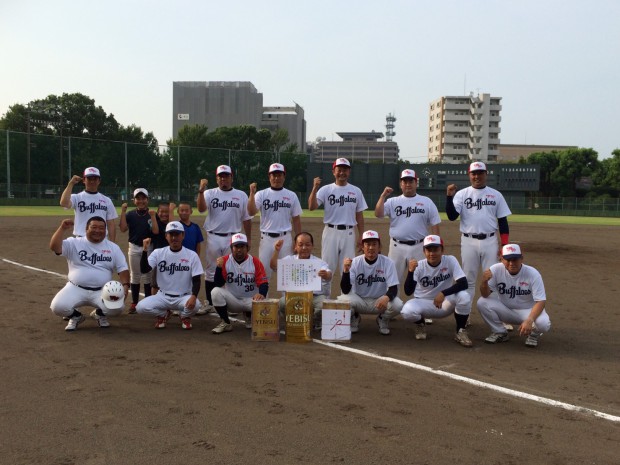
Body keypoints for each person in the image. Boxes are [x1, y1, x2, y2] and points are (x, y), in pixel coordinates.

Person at [445, 161, 512, 302]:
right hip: (468, 241)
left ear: (485, 174)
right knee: (468, 279)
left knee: (492, 278)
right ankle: (465, 312)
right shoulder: (462, 194)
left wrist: (504, 246)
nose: (477, 176)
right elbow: (452, 217)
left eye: (480, 173)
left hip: (490, 241)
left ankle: (495, 314)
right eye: (473, 173)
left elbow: (503, 221)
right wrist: (449, 197)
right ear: (469, 175)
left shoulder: (496, 195)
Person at [49, 216, 129, 331]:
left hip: (102, 290)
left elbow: (123, 269)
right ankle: (76, 317)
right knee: (57, 307)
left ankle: (99, 314)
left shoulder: (113, 248)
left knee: (117, 307)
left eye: (101, 228)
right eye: (94, 227)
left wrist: (126, 286)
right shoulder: (74, 243)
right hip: (75, 288)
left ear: (105, 230)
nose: (98, 230)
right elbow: (54, 247)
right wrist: (62, 228)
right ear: (86, 228)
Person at [197, 165, 252, 313]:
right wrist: (201, 191)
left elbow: (247, 219)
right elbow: (201, 209)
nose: (223, 179)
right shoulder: (209, 193)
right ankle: (209, 302)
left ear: (231, 178)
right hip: (214, 236)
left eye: (226, 176)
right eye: (220, 176)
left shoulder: (241, 195)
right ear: (217, 178)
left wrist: (248, 239)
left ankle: (230, 302)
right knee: (210, 271)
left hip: (234, 239)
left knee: (232, 270)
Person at [400, 235, 473, 347]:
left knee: (464, 296)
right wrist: (410, 272)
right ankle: (420, 324)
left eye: (435, 250)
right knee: (407, 311)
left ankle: (460, 331)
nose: (432, 253)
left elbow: (463, 283)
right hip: (424, 304)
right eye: (429, 250)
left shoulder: (450, 260)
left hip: (444, 303)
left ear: (442, 250)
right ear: (424, 251)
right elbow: (408, 291)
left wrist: (443, 293)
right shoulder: (419, 266)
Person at [478, 244, 551, 347]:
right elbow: (485, 295)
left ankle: (533, 335)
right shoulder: (495, 270)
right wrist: (484, 282)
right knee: (482, 302)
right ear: (501, 259)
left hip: (528, 311)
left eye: (515, 259)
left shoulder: (533, 274)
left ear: (521, 259)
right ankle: (500, 332)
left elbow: (541, 301)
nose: (511, 263)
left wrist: (530, 320)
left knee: (544, 323)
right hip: (506, 310)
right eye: (508, 260)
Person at [136, 221, 204, 330]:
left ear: (183, 236)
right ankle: (163, 314)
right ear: (166, 236)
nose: (174, 238)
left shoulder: (192, 255)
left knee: (196, 305)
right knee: (140, 308)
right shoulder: (158, 253)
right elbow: (144, 269)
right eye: (171, 234)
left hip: (183, 296)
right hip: (162, 296)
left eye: (177, 234)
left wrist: (193, 296)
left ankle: (184, 316)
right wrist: (145, 250)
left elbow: (196, 279)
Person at [375, 169, 441, 278]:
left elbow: (435, 225)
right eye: (405, 181)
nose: (407, 184)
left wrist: (436, 246)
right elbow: (378, 214)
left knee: (421, 280)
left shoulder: (426, 202)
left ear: (416, 183)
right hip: (397, 247)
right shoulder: (393, 202)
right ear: (401, 184)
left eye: (411, 181)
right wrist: (383, 196)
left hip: (419, 246)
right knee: (392, 280)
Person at [308, 157, 367, 276]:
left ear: (349, 172)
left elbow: (359, 215)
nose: (342, 173)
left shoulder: (356, 191)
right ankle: (324, 294)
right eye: (339, 169)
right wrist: (314, 189)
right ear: (333, 171)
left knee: (348, 268)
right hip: (330, 232)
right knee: (326, 267)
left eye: (345, 170)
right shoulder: (326, 189)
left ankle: (347, 294)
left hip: (349, 232)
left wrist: (361, 235)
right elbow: (311, 207)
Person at [338, 230, 403, 335]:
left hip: (379, 302)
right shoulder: (355, 262)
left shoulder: (388, 263)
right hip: (360, 301)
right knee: (342, 300)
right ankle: (354, 317)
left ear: (379, 247)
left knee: (398, 305)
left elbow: (393, 288)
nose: (371, 247)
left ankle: (382, 318)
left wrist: (386, 298)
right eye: (367, 244)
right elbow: (345, 289)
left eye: (374, 244)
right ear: (362, 247)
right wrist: (346, 271)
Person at [248, 162, 302, 280]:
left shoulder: (291, 195)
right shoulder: (261, 194)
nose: (276, 178)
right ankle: (263, 298)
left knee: (287, 275)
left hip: (285, 238)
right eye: (274, 175)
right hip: (266, 238)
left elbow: (296, 219)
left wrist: (298, 240)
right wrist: (251, 194)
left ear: (284, 176)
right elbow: (251, 212)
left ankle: (287, 299)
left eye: (279, 175)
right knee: (263, 274)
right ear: (269, 177)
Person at [269, 232, 332, 330]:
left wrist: (326, 275)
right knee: (281, 303)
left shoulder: (319, 262)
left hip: (314, 297)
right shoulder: (289, 260)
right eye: (300, 244)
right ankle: (291, 318)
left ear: (312, 246)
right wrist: (276, 251)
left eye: (307, 244)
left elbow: (329, 275)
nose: (304, 248)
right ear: (295, 247)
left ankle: (315, 320)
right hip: (294, 296)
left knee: (324, 304)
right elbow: (273, 266)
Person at [210, 233, 268, 334]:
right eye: (236, 246)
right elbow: (218, 284)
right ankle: (226, 322)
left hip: (251, 301)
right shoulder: (225, 261)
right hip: (233, 301)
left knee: (266, 302)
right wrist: (219, 269)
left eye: (242, 246)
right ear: (231, 248)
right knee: (215, 292)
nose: (239, 250)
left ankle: (249, 315)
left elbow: (264, 283)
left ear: (247, 248)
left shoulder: (255, 262)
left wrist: (261, 294)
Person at [119, 188, 159, 313]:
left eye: (143, 198)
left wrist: (153, 217)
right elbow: (123, 228)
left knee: (147, 275)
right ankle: (134, 303)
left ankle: (147, 302)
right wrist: (123, 212)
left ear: (147, 200)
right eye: (138, 198)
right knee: (135, 276)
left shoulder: (152, 214)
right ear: (134, 200)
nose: (141, 201)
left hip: (149, 248)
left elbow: (155, 231)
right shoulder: (130, 214)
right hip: (135, 248)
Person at [59, 166, 117, 241]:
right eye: (89, 179)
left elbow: (111, 223)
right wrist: (71, 183)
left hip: (101, 240)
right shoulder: (77, 197)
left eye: (95, 179)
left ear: (99, 181)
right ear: (84, 180)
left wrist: (112, 243)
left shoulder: (107, 200)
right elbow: (64, 203)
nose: (92, 181)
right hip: (81, 239)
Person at [150, 202, 171, 295]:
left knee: (170, 281)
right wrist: (153, 216)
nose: (164, 214)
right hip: (158, 257)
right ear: (157, 212)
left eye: (167, 212)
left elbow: (171, 228)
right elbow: (155, 231)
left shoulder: (172, 224)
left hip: (170, 256)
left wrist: (171, 210)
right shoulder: (156, 223)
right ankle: (154, 303)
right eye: (161, 212)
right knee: (155, 284)